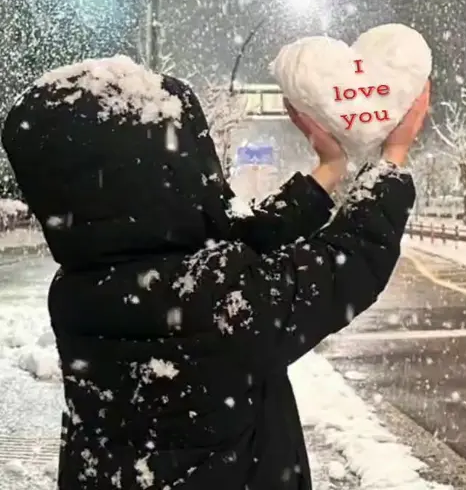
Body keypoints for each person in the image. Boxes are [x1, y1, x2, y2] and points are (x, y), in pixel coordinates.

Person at [1, 56, 429, 490]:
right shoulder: (213, 302)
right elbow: (349, 261)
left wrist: (328, 172)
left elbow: (231, 239)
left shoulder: (80, 289)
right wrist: (392, 159)